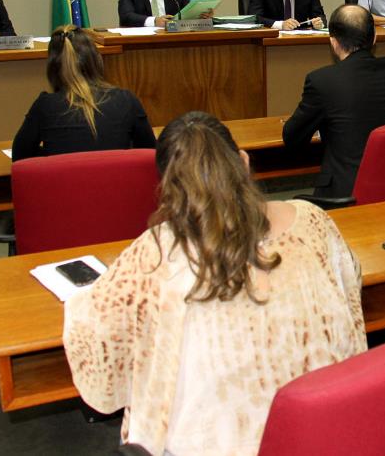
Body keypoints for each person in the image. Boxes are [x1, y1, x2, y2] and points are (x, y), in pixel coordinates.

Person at [63, 111, 366, 455]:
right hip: (323, 432)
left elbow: (97, 339)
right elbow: (351, 284)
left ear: (167, 188)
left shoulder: (157, 251)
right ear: (243, 162)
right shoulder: (313, 220)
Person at [283, 4, 385, 198]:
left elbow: (292, 138)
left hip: (346, 195)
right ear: (374, 38)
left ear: (333, 42)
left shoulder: (322, 81)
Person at [12, 25, 156, 160]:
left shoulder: (44, 106)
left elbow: (20, 156)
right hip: (117, 178)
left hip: (64, 179)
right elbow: (150, 153)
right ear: (96, 60)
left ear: (52, 68)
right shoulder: (126, 100)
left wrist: (52, 157)